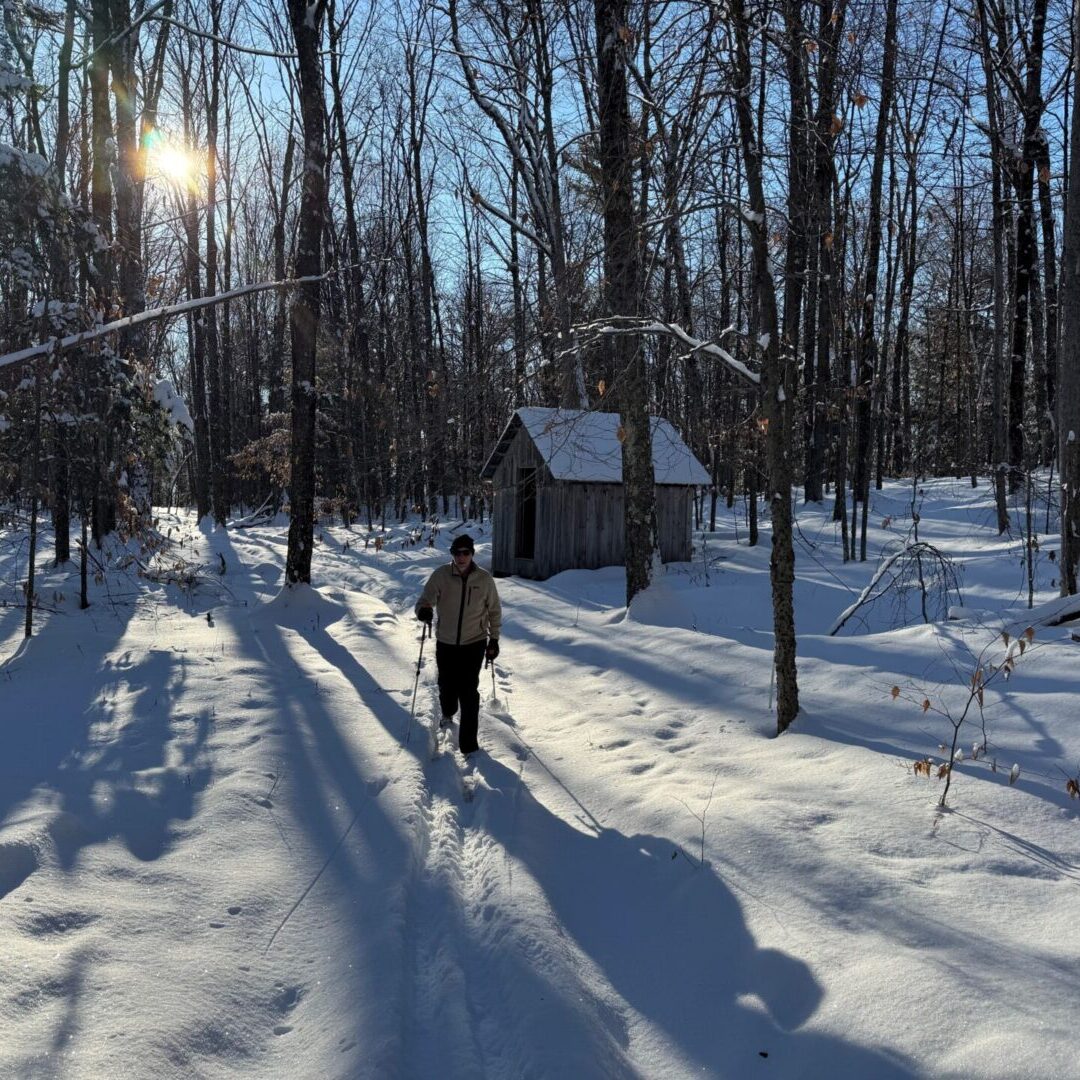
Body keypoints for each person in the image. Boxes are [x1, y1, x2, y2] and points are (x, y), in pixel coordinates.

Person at [415, 534, 502, 757]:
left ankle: (469, 745)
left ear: (472, 554)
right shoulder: (441, 575)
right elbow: (425, 600)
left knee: (469, 691)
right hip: (446, 642)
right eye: (457, 553)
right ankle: (448, 711)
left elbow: (494, 610)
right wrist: (424, 610)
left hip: (474, 643)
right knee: (447, 686)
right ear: (452, 554)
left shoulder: (484, 579)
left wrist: (494, 640)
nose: (461, 557)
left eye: (466, 552)